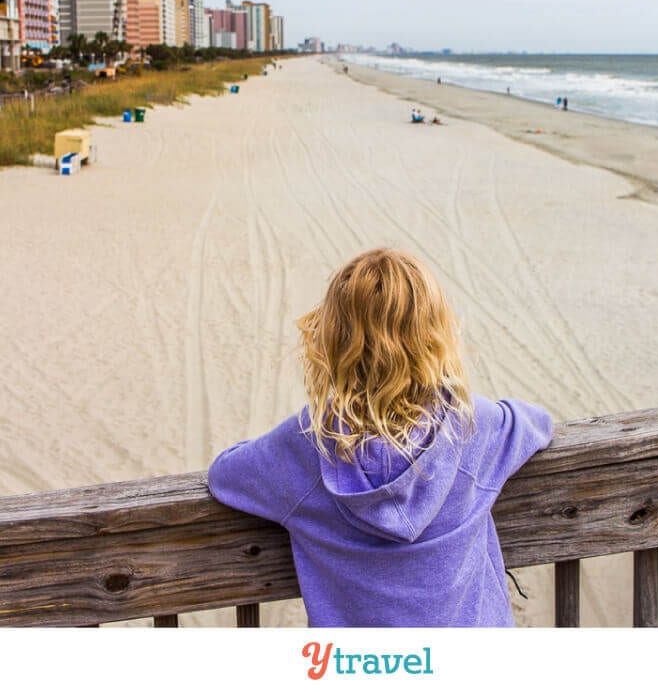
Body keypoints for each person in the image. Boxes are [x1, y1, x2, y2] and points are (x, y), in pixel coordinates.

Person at [208, 248, 553, 627]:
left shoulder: (307, 446)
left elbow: (225, 474)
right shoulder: (477, 427)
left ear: (330, 343)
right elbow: (539, 422)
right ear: (436, 338)